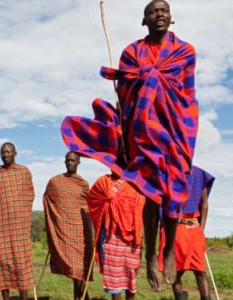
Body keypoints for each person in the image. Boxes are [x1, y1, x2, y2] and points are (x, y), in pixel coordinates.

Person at [60, 0, 198, 289]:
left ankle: (168, 250)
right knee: (150, 194)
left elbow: (187, 94)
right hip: (143, 132)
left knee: (174, 191)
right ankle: (150, 255)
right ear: (143, 20)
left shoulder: (185, 51)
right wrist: (126, 115)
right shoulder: (132, 52)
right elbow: (125, 96)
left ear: (171, 18)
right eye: (152, 11)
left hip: (174, 129)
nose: (159, 14)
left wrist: (153, 80)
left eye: (164, 11)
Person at [0, 142, 35, 300]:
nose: (5, 154)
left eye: (8, 152)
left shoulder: (24, 172)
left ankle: (24, 297)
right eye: (3, 152)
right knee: (0, 264)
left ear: (15, 153)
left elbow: (29, 196)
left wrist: (21, 215)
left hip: (19, 227)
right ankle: (5, 298)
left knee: (21, 265)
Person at [87, 173, 147, 300]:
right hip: (110, 236)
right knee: (114, 276)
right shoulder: (104, 181)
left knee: (130, 273)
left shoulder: (136, 183)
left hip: (131, 237)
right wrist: (107, 205)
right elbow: (92, 199)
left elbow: (142, 204)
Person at [159, 166, 214, 300]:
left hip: (193, 228)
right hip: (172, 227)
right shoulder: (165, 172)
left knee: (200, 270)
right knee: (175, 269)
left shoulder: (200, 174)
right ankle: (180, 297)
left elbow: (204, 204)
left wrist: (201, 228)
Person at [43, 151, 92, 300]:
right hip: (64, 231)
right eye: (67, 161)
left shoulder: (83, 184)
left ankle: (80, 297)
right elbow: (47, 200)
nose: (70, 163)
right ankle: (82, 297)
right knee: (75, 270)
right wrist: (55, 222)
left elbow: (88, 207)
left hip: (81, 232)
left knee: (80, 271)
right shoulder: (55, 182)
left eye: (72, 161)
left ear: (78, 162)